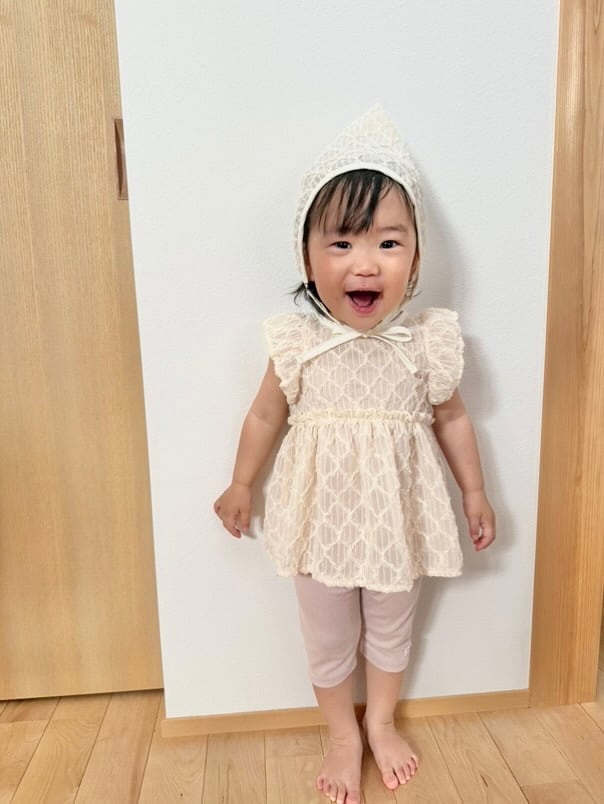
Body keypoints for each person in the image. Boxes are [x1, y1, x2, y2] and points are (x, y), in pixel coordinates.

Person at [214, 104, 495, 804]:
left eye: (388, 243)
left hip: (399, 520)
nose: (364, 262)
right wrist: (241, 481)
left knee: (394, 627)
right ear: (307, 258)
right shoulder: (298, 343)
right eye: (341, 242)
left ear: (416, 259)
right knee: (327, 633)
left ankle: (381, 721)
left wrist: (474, 492)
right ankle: (342, 732)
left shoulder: (426, 342)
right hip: (321, 522)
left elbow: (453, 417)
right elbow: (265, 414)